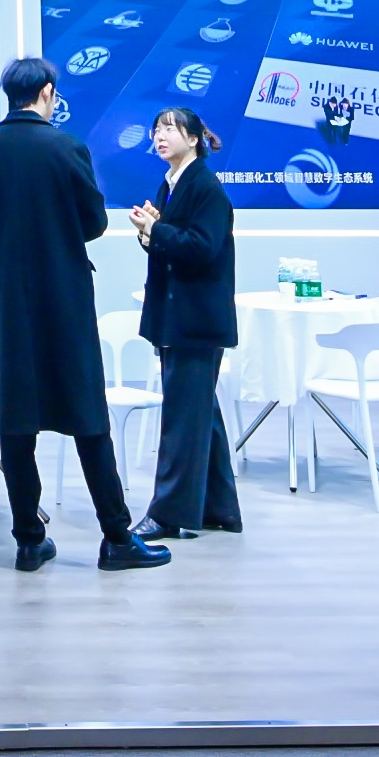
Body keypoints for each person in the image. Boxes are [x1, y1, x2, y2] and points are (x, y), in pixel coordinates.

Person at [0, 58, 167, 574]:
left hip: (5, 302)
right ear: (47, 92)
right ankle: (116, 537)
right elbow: (93, 222)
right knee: (88, 418)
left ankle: (29, 541)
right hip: (64, 300)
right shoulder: (67, 148)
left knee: (16, 422)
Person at [130, 106, 243, 544]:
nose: (160, 137)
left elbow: (202, 247)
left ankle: (168, 515)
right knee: (199, 415)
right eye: (157, 130)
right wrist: (151, 233)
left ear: (193, 138)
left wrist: (156, 231)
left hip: (196, 320)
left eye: (170, 130)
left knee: (182, 419)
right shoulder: (172, 183)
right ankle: (220, 509)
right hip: (177, 316)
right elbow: (174, 246)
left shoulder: (205, 187)